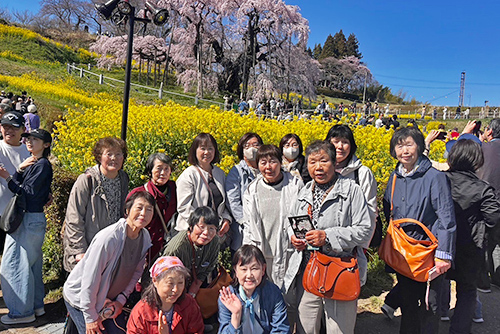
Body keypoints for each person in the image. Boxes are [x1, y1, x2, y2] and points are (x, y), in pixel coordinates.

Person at [285, 140, 372, 334]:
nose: (318, 167)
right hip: (308, 270)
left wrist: (328, 236)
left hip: (339, 270)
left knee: (338, 330)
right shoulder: (304, 190)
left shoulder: (351, 190)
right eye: (312, 161)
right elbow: (289, 222)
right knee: (305, 328)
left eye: (323, 161)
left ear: (334, 163)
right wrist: (294, 237)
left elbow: (365, 229)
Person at [382, 126, 456, 334]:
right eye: (399, 145)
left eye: (409, 144)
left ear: (420, 146)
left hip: (429, 255)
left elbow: (446, 218)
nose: (404, 150)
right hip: (404, 254)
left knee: (428, 306)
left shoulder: (434, 177)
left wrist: (443, 255)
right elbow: (388, 210)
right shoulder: (395, 177)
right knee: (407, 304)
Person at [63, 191, 155, 334]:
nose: (143, 213)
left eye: (149, 209)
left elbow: (136, 273)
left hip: (107, 300)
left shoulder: (144, 238)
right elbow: (90, 277)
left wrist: (121, 300)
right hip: (81, 299)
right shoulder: (109, 238)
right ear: (127, 210)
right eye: (139, 207)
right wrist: (90, 317)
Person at [445, 139, 500, 334]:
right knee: (467, 291)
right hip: (470, 246)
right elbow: (493, 218)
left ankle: (432, 322)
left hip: (440, 245)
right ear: (477, 161)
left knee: (436, 284)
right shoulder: (482, 188)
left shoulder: (440, 180)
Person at [0, 129, 53, 324]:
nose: (29, 142)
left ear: (46, 145)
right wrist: (20, 170)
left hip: (28, 219)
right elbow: (25, 187)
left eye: (35, 139)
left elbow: (24, 194)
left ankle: (21, 313)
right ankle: (36, 306)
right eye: (29, 138)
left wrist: (6, 177)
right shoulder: (34, 164)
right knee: (30, 266)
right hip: (31, 219)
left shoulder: (42, 165)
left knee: (14, 265)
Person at [63, 137, 129, 272]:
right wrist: (79, 251)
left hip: (111, 247)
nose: (114, 158)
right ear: (99, 157)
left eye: (118, 154)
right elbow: (74, 217)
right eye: (109, 154)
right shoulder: (87, 180)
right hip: (89, 247)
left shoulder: (123, 179)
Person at [242, 144, 303, 289]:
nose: (268, 167)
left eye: (273, 161)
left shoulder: (295, 186)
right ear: (257, 165)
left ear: (280, 162)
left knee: (289, 297)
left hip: (288, 251)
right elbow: (248, 225)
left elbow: (302, 216)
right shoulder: (252, 189)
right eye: (263, 162)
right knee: (262, 294)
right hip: (261, 251)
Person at [325, 125, 378, 249]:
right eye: (336, 141)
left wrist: (363, 246)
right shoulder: (321, 171)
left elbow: (370, 211)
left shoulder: (362, 173)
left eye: (345, 142)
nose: (340, 146)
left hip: (353, 244)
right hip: (324, 243)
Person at [218, 245, 290, 334]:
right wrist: (236, 314)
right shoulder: (227, 296)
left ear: (263, 269)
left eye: (254, 268)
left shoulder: (273, 293)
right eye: (243, 269)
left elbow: (281, 329)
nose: (249, 275)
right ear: (236, 271)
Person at [127, 256, 204, 334]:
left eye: (180, 283)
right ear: (155, 281)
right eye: (170, 283)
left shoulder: (189, 304)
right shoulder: (141, 312)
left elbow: (197, 331)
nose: (176, 289)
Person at [175, 133, 231, 236]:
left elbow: (226, 202)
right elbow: (184, 207)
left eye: (210, 148)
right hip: (192, 233)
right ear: (195, 151)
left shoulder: (219, 173)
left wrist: (226, 219)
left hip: (213, 232)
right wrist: (201, 225)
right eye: (202, 148)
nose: (207, 152)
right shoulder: (189, 174)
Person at [128, 153, 177, 268]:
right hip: (143, 248)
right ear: (150, 171)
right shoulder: (138, 194)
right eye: (159, 169)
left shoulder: (175, 189)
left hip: (166, 247)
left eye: (166, 169)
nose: (163, 173)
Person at [162, 206, 220, 299]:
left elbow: (206, 270)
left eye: (211, 228)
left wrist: (191, 294)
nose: (206, 232)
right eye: (202, 227)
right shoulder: (177, 247)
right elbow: (164, 277)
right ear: (191, 226)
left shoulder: (215, 241)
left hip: (193, 286)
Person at [225, 133, 263, 253]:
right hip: (243, 230)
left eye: (255, 145)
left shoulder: (266, 169)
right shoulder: (236, 171)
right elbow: (233, 201)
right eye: (247, 146)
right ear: (241, 150)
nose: (251, 149)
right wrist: (246, 221)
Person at [0, 112, 31, 251]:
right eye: (5, 126)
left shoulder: (29, 152)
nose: (9, 131)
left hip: (16, 215)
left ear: (23, 130)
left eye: (14, 127)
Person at [477, 119, 500, 288]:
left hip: (487, 204)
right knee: (498, 244)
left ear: (490, 131)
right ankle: (498, 279)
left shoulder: (483, 148)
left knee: (483, 243)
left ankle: (484, 283)